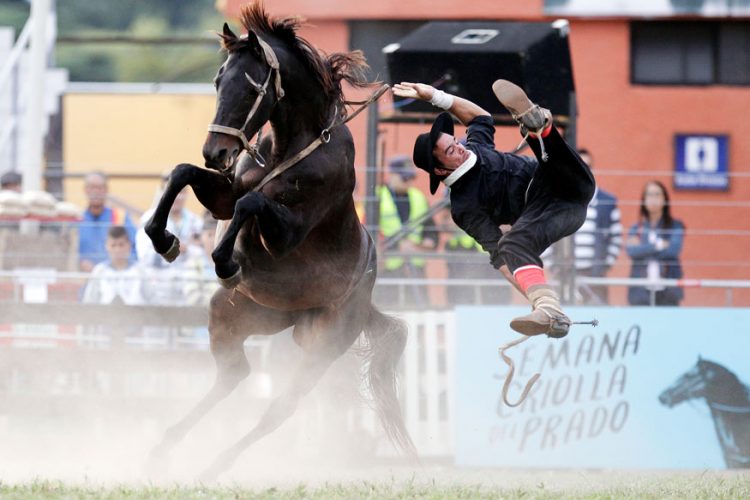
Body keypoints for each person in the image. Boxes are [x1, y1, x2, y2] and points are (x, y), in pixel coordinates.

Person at [394, 79, 594, 338]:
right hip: (554, 213)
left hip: (567, 182)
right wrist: (533, 296)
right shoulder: (464, 206)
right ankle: (548, 307)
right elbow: (499, 256)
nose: (460, 148)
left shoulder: (475, 146)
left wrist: (434, 96)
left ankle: (537, 126)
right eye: (451, 151)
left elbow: (480, 118)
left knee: (547, 156)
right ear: (441, 170)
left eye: (456, 142)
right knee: (510, 245)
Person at [375, 155, 439, 307]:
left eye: (411, 178)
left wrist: (420, 246)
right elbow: (368, 232)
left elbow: (432, 234)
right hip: (388, 272)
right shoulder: (376, 197)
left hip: (415, 271)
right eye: (405, 178)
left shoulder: (418, 198)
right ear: (392, 175)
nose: (409, 183)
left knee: (421, 311)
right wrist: (394, 247)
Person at [572, 149, 622, 305]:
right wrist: (556, 268)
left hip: (596, 275)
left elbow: (617, 238)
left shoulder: (607, 202)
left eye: (588, 166)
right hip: (567, 275)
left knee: (599, 318)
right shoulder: (561, 200)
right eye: (581, 166)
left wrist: (604, 266)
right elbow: (548, 236)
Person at [625, 180, 685, 306]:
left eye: (657, 194)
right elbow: (631, 251)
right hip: (641, 292)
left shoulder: (675, 226)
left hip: (668, 291)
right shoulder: (636, 228)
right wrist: (658, 245)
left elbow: (673, 250)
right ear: (644, 200)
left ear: (665, 199)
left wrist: (642, 248)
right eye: (649, 195)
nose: (653, 199)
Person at [78, 172, 137, 272]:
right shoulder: (77, 220)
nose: (95, 191)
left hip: (116, 279)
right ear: (85, 190)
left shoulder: (120, 217)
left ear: (106, 190)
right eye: (92, 187)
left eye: (100, 188)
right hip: (84, 278)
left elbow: (136, 250)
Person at [81, 225, 145, 305]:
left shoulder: (140, 271)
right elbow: (89, 300)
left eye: (121, 245)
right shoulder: (100, 271)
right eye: (113, 245)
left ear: (129, 245)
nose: (117, 250)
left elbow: (152, 300)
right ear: (107, 246)